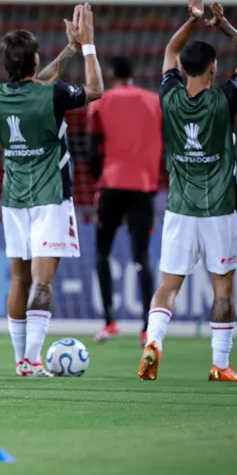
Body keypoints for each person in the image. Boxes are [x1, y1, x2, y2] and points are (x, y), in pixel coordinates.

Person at [140, 0, 237, 383]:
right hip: (220, 210)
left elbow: (170, 48)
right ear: (213, 68)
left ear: (181, 68)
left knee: (167, 286)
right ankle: (220, 364)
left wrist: (191, 19)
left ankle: (154, 342)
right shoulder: (225, 100)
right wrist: (222, 25)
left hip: (179, 208)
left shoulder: (169, 97)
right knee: (222, 287)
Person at [0, 6, 103, 377]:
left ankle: (21, 359)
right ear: (35, 59)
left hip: (13, 197)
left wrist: (68, 49)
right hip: (49, 196)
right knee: (43, 281)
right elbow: (96, 90)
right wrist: (86, 47)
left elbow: (40, 83)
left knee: (19, 278)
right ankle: (34, 359)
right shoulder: (51, 95)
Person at [87, 56, 162, 346]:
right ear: (133, 73)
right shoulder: (155, 101)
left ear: (112, 75)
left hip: (112, 185)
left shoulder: (99, 102)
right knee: (141, 256)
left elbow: (93, 151)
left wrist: (100, 177)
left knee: (102, 252)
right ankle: (146, 328)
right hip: (144, 187)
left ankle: (109, 322)